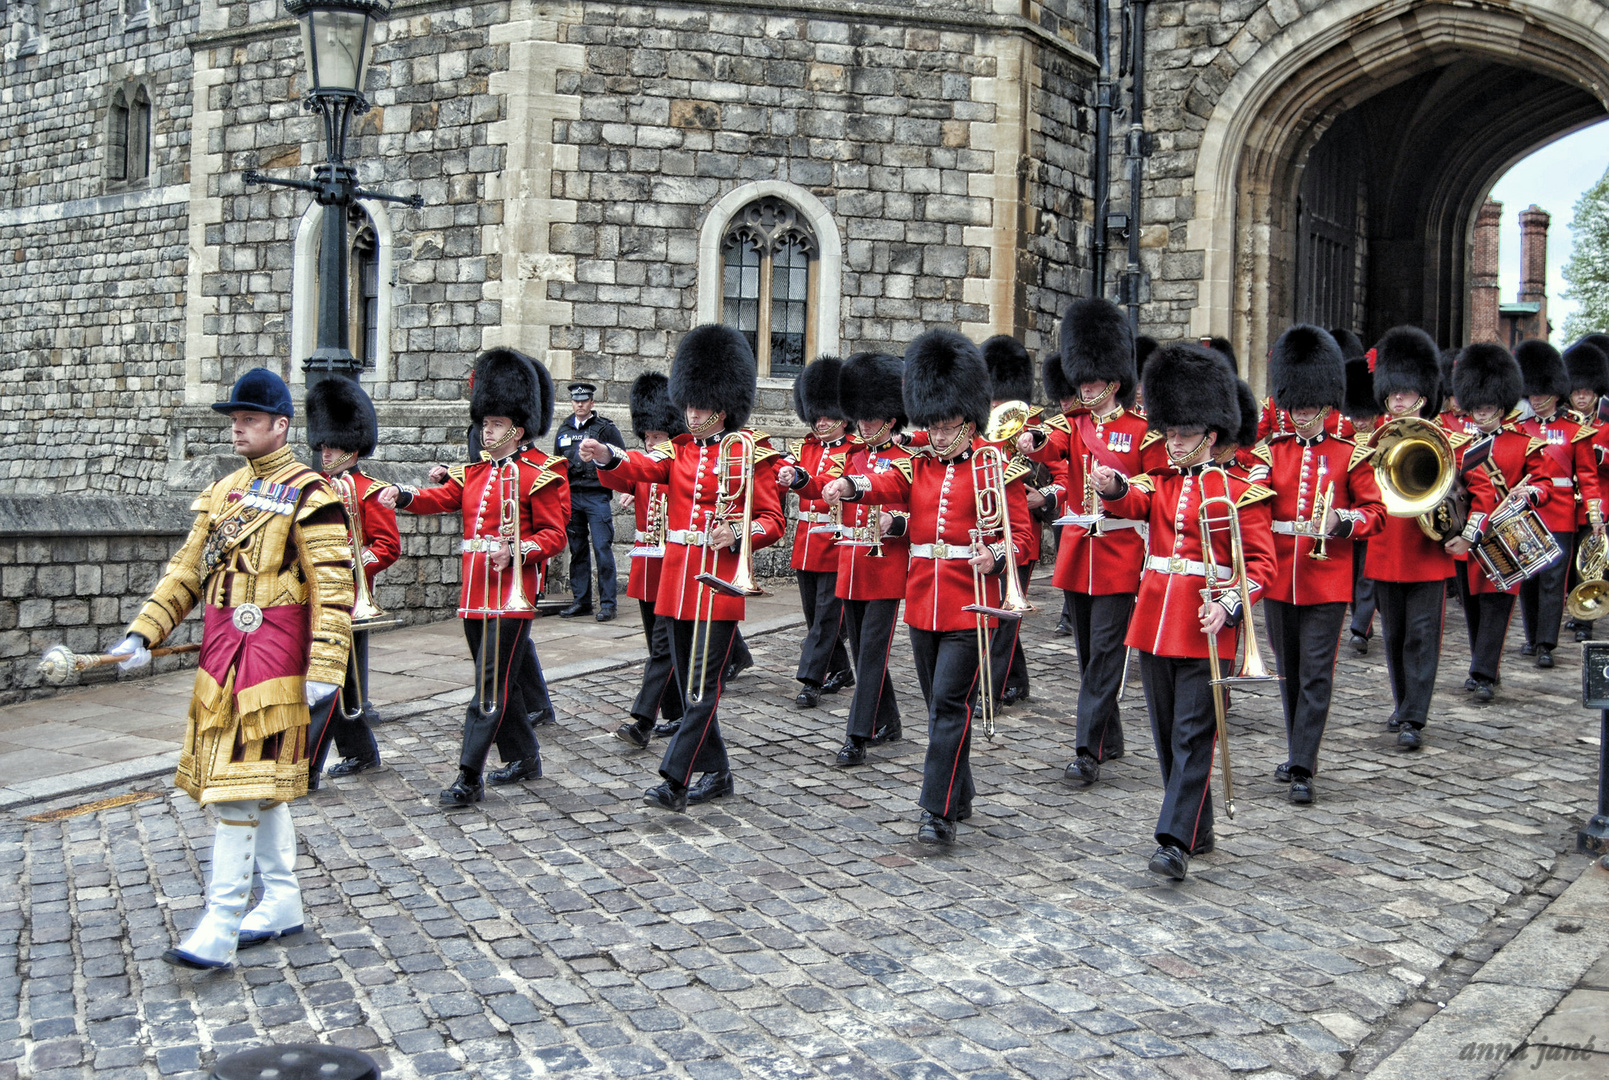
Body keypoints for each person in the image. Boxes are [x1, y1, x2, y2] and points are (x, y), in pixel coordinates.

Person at [106, 368, 353, 968]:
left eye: (248, 419)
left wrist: (326, 665)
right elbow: (188, 569)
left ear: (280, 426)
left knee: (237, 794)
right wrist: (145, 630)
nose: (237, 428)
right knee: (259, 791)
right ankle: (284, 902)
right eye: (234, 419)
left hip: (272, 663)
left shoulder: (312, 494)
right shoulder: (223, 493)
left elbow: (334, 584)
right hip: (222, 659)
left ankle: (220, 924)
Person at [823, 330, 1033, 846]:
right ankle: (959, 795)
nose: (938, 435)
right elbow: (887, 484)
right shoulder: (917, 462)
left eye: (946, 425)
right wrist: (851, 486)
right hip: (923, 602)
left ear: (967, 416)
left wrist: (998, 554)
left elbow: (1024, 537)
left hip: (971, 602)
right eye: (932, 425)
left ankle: (935, 810)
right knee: (941, 704)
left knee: (945, 705)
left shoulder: (994, 464)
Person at [579, 325, 786, 812]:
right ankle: (717, 772)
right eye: (687, 405)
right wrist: (608, 455)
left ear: (722, 403)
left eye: (699, 406)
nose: (691, 414)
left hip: (718, 584)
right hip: (677, 582)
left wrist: (738, 533)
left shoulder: (750, 451)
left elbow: (773, 521)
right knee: (693, 684)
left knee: (701, 685)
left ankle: (675, 778)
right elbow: (640, 470)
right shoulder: (679, 451)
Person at [1088, 343, 1275, 881]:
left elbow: (1261, 565)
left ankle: (1174, 841)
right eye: (1168, 432)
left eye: (1183, 434)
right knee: (1169, 735)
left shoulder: (1242, 491)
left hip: (1204, 628)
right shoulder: (1163, 481)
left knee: (1194, 735)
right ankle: (1199, 826)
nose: (1172, 442)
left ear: (1211, 435)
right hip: (1153, 623)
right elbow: (1134, 497)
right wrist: (1112, 486)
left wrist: (1231, 607)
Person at [379, 349, 570, 805]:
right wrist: (403, 496)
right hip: (475, 593)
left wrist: (519, 549)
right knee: (500, 678)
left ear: (517, 429)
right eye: (484, 423)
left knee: (488, 685)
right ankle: (524, 758)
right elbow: (438, 498)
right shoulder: (474, 472)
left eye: (495, 425)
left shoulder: (543, 473)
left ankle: (468, 775)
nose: (486, 431)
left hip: (513, 594)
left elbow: (554, 534)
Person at [1021, 298, 1157, 785]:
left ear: (1114, 383)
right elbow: (1051, 446)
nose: (1085, 388)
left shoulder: (1140, 431)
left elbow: (1151, 491)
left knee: (1105, 653)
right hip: (1079, 553)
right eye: (1081, 381)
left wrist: (1119, 490)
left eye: (1093, 382)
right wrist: (1031, 443)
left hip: (1119, 554)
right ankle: (1111, 735)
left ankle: (1087, 750)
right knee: (1087, 655)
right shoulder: (1073, 425)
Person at [1258, 326, 1384, 804]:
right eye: (1296, 406)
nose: (1303, 414)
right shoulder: (1272, 453)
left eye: (1310, 406)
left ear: (1328, 403)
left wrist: (1341, 520)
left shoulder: (1351, 454)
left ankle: (1305, 765)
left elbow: (1376, 514)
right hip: (1278, 579)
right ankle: (1296, 750)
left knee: (1315, 672)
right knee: (1288, 672)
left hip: (1327, 579)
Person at [798, 351, 912, 766]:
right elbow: (831, 484)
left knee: (872, 653)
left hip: (884, 570)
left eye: (871, 416)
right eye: (860, 416)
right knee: (864, 648)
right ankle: (890, 721)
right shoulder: (855, 455)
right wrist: (804, 480)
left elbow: (892, 489)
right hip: (851, 566)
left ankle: (857, 735)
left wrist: (891, 520)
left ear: (891, 417)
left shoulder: (906, 458)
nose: (863, 423)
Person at [1366, 326, 1460, 750]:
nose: (1397, 400)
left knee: (1422, 636)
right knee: (1395, 635)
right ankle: (1403, 701)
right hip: (1386, 550)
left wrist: (1457, 523)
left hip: (1426, 553)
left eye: (1404, 393)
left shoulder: (1447, 441)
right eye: (1392, 394)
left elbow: (1466, 495)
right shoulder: (1371, 442)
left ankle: (1413, 717)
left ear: (1422, 394)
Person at [1447, 343, 1558, 702]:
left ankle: (1482, 674)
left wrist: (1530, 495)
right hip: (1468, 538)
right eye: (1476, 407)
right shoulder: (1458, 446)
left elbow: (1543, 484)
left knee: (1497, 607)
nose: (1481, 413)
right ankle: (1487, 666)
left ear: (1501, 405)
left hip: (1505, 535)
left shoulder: (1524, 444)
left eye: (1488, 407)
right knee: (1475, 608)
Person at [305, 376, 399, 783]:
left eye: (333, 446)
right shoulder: (314, 489)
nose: (325, 452)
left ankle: (309, 764)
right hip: (313, 595)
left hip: (351, 596)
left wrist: (352, 564)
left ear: (352, 447)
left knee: (335, 683)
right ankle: (359, 752)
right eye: (323, 446)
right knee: (336, 683)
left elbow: (387, 546)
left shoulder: (369, 491)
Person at [606, 372, 689, 749]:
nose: (652, 442)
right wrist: (604, 459)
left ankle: (642, 719)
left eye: (658, 436)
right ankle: (677, 713)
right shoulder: (644, 459)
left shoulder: (680, 462)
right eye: (648, 436)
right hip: (645, 565)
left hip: (672, 564)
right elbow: (620, 478)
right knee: (662, 645)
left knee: (662, 646)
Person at [1514, 340, 1603, 667]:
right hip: (1527, 515)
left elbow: (1588, 477)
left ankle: (1546, 644)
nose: (1535, 401)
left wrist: (1594, 514)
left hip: (1561, 515)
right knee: (1530, 580)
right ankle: (1533, 636)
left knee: (1553, 581)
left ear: (1554, 394)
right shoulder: (1521, 428)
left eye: (1540, 395)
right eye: (1531, 395)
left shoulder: (1576, 432)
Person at [776, 356, 855, 708]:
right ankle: (841, 670)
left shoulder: (854, 451)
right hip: (806, 543)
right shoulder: (805, 447)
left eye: (828, 415)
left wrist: (801, 479)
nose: (822, 422)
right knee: (815, 617)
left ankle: (811, 680)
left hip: (836, 543)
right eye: (817, 415)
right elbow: (785, 469)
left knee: (825, 618)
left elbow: (824, 484)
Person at [981, 334, 1048, 709]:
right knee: (1002, 611)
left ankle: (988, 689)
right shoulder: (976, 419)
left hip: (1022, 531)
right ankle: (1016, 680)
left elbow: (1064, 474)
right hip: (984, 528)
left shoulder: (1033, 424)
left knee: (1005, 613)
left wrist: (1044, 496)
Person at [554, 382, 625, 621]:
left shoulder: (605, 428)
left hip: (596, 496)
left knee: (602, 548)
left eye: (584, 400)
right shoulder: (564, 429)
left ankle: (608, 604)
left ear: (592, 402)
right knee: (577, 550)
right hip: (572, 496)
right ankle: (581, 600)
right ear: (571, 402)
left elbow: (621, 457)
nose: (580, 404)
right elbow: (556, 465)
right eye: (576, 400)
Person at [1340, 344, 1384, 654]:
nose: (1360, 421)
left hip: (1373, 509)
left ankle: (1361, 627)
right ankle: (1358, 620)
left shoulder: (1385, 434)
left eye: (1365, 415)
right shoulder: (1342, 437)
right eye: (1356, 415)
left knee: (1367, 573)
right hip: (1347, 511)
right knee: (1352, 571)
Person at [1564, 340, 1609, 640]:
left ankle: (1586, 620)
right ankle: (1574, 611)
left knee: (1590, 563)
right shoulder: (1565, 424)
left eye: (1587, 391)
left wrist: (1601, 455)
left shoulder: (1605, 423)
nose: (1582, 396)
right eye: (1577, 390)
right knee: (1568, 566)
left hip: (1599, 503)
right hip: (1568, 504)